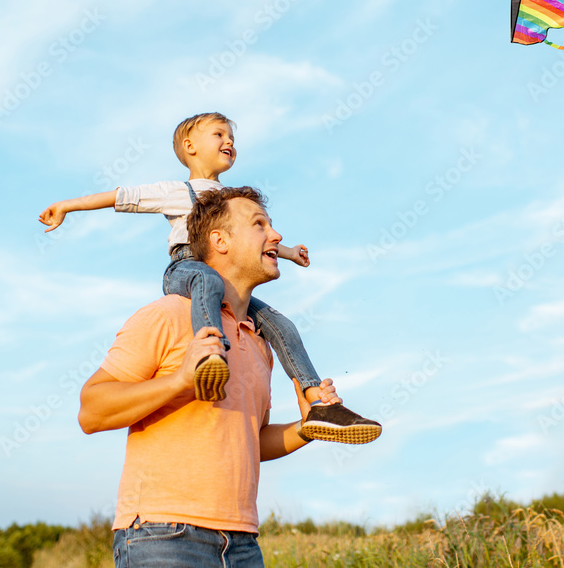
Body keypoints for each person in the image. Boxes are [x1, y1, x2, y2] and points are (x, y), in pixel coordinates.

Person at [41, 112, 380, 444]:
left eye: (231, 136)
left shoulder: (233, 199)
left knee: (281, 324)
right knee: (209, 281)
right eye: (219, 134)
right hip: (186, 270)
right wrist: (67, 207)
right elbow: (120, 197)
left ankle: (318, 403)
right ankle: (210, 353)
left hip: (220, 281)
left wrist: (289, 252)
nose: (229, 140)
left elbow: (254, 239)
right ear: (189, 146)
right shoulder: (176, 191)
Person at [78, 187, 336, 566]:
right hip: (164, 535)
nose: (276, 236)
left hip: (243, 543)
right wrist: (180, 380)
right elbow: (91, 411)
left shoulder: (259, 342)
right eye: (259, 224)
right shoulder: (168, 314)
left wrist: (307, 427)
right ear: (220, 240)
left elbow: (252, 440)